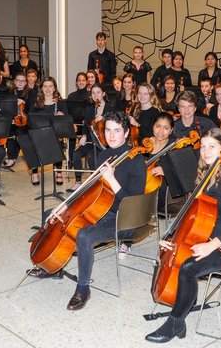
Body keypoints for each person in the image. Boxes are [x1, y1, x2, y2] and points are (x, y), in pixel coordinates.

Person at [29, 111, 146, 311]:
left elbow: (133, 202)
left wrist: (112, 179)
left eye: (117, 130)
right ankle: (53, 267)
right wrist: (69, 203)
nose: (111, 135)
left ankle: (83, 289)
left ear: (126, 133)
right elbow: (93, 189)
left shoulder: (136, 160)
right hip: (100, 210)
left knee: (84, 235)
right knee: (51, 214)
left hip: (123, 218)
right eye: (108, 130)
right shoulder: (103, 154)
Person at [145, 128, 221, 343]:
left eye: (212, 146)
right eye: (203, 146)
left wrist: (211, 246)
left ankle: (175, 323)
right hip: (208, 236)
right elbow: (195, 215)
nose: (205, 151)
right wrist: (174, 236)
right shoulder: (205, 176)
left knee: (188, 267)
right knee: (180, 257)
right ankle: (183, 307)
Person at [68, 83, 113, 192]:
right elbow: (86, 125)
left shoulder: (110, 108)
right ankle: (78, 181)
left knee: (91, 156)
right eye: (93, 93)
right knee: (76, 154)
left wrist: (104, 117)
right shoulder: (89, 109)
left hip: (103, 143)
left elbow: (115, 120)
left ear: (103, 93)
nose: (96, 95)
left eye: (98, 92)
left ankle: (96, 182)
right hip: (90, 140)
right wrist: (83, 135)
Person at [29, 77, 68, 185]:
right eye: (45, 86)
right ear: (41, 88)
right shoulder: (36, 103)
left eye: (50, 86)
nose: (48, 89)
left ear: (54, 88)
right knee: (32, 142)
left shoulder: (60, 104)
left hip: (55, 135)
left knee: (58, 141)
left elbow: (67, 122)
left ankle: (58, 171)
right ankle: (35, 172)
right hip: (40, 134)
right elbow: (30, 121)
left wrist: (62, 117)